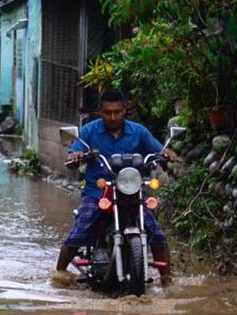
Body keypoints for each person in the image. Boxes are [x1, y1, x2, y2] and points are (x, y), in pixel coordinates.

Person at [55, 89, 178, 285]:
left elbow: (158, 149)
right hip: (98, 191)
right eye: (108, 112)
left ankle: (167, 279)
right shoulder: (89, 131)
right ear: (100, 112)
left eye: (117, 112)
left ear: (124, 110)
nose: (113, 117)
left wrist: (167, 153)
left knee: (156, 231)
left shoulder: (139, 132)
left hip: (132, 192)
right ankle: (58, 275)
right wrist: (75, 156)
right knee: (80, 230)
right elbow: (74, 152)